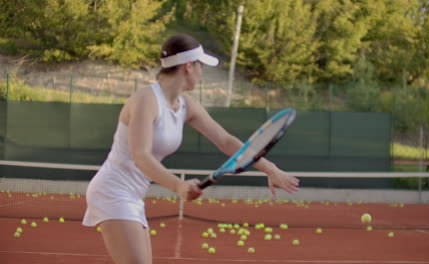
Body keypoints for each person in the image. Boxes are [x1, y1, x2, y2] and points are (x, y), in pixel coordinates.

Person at [82, 33, 300, 264]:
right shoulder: (145, 100)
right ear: (188, 66)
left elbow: (226, 141)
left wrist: (270, 169)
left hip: (133, 195)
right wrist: (178, 185)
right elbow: (141, 156)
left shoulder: (187, 105)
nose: (201, 73)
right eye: (200, 66)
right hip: (112, 191)